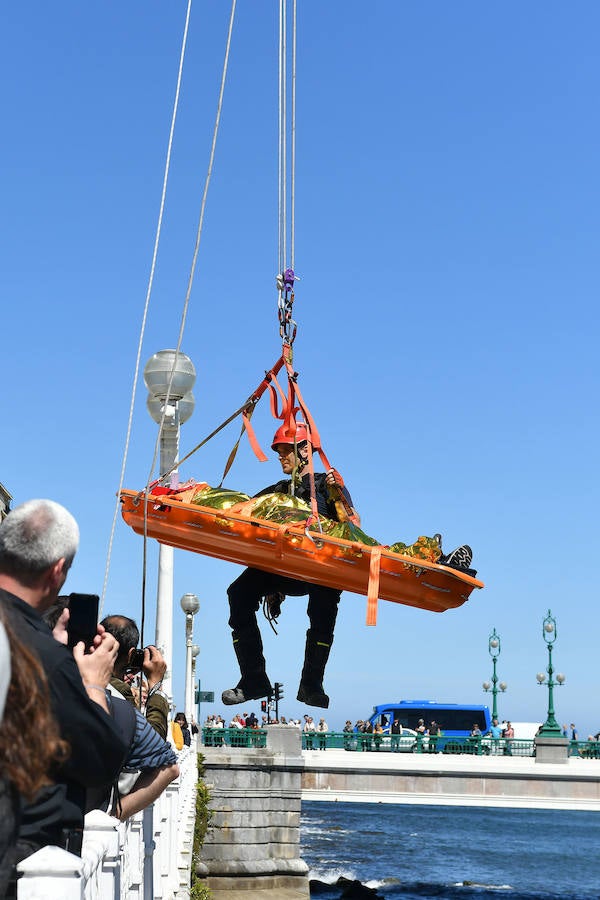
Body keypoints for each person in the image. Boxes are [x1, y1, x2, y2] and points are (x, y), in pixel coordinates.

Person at [0, 499, 129, 880]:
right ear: (57, 570)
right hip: (25, 865)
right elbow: (101, 761)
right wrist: (92, 683)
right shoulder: (44, 659)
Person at [222, 422, 360, 710]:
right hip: (283, 569)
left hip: (320, 568)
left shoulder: (326, 485)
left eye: (285, 450)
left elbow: (353, 527)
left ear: (305, 450)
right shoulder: (278, 491)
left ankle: (311, 685)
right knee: (238, 593)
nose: (280, 456)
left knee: (323, 611)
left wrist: (337, 495)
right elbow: (242, 508)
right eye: (279, 451)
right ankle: (253, 679)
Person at [100, 614, 169, 740]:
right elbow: (152, 739)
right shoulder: (120, 692)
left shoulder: (79, 676)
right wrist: (156, 686)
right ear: (131, 654)